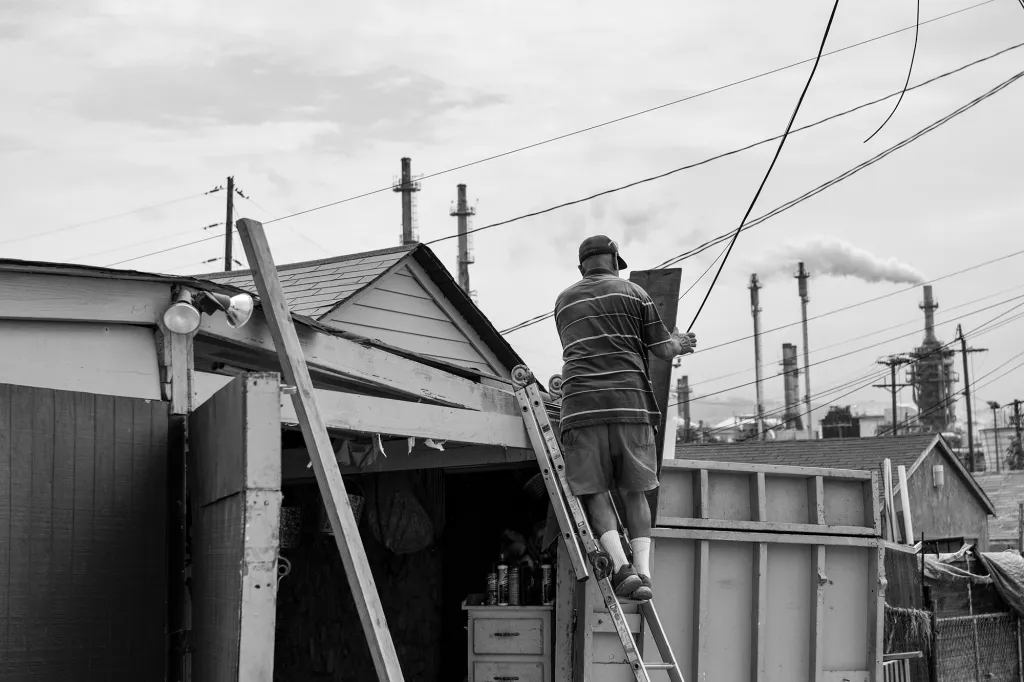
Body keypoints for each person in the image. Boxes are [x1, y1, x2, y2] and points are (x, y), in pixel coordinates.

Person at [554, 235, 697, 601]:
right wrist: (681, 343)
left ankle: (621, 568)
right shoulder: (635, 293)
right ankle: (645, 574)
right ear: (615, 260)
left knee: (596, 490)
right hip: (630, 404)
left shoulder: (564, 301)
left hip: (581, 405)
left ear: (581, 267)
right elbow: (663, 350)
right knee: (635, 490)